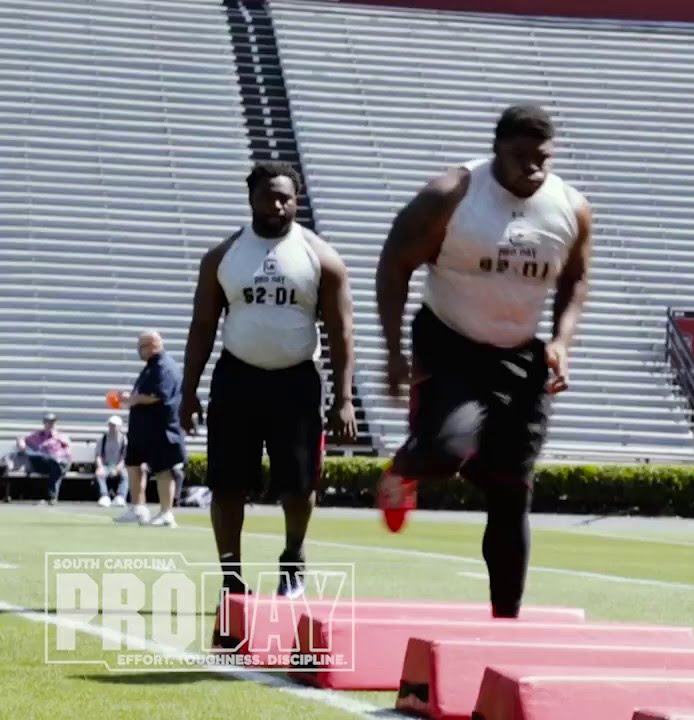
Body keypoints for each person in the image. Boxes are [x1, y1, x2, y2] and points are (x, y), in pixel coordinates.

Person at [374, 105, 592, 617]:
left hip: (520, 355)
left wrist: (561, 341)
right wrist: (393, 351)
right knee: (449, 450)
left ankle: (506, 620)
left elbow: (575, 278)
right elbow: (396, 261)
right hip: (449, 341)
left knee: (512, 491)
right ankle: (402, 470)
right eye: (520, 158)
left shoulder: (571, 208)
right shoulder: (451, 195)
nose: (532, 170)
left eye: (542, 159)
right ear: (496, 150)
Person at [180, 161, 358, 597]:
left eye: (285, 196)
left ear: (297, 200)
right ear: (251, 199)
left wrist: (344, 397)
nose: (277, 204)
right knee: (227, 485)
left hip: (296, 383)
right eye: (268, 195)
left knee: (299, 487)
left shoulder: (321, 257)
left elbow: (341, 330)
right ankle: (231, 576)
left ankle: (293, 560)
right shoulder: (223, 257)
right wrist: (188, 391)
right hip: (237, 379)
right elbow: (202, 326)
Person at [112, 331, 187, 527]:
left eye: (142, 346)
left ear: (153, 345)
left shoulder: (164, 366)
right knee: (133, 464)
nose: (139, 350)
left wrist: (131, 399)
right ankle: (138, 508)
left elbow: (157, 395)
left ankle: (166, 512)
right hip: (143, 428)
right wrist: (131, 397)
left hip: (160, 428)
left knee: (163, 470)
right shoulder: (151, 367)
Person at [21, 413, 71, 505]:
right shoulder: (37, 435)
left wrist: (58, 457)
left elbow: (68, 453)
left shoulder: (61, 436)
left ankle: (52, 496)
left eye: (52, 422)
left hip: (60, 462)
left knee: (56, 466)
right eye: (48, 422)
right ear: (44, 423)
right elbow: (21, 438)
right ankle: (51, 497)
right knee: (43, 458)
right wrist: (22, 445)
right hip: (44, 463)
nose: (50, 424)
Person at [94, 416, 128, 507]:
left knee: (126, 475)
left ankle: (121, 497)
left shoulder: (124, 440)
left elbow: (124, 458)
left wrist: (117, 469)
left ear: (119, 427)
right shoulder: (103, 439)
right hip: (106, 466)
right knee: (99, 474)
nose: (112, 428)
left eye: (114, 426)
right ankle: (104, 496)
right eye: (110, 425)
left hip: (119, 466)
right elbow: (98, 455)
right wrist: (100, 467)